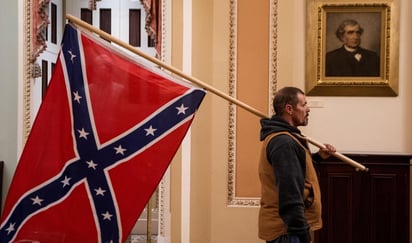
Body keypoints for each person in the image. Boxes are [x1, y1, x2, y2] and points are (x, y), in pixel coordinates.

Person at [258, 87, 336, 243]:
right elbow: (289, 192)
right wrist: (302, 233)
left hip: (289, 230)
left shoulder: (288, 138)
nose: (308, 110)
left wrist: (318, 158)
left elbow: (296, 173)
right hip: (287, 231)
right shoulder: (284, 142)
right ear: (289, 109)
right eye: (304, 104)